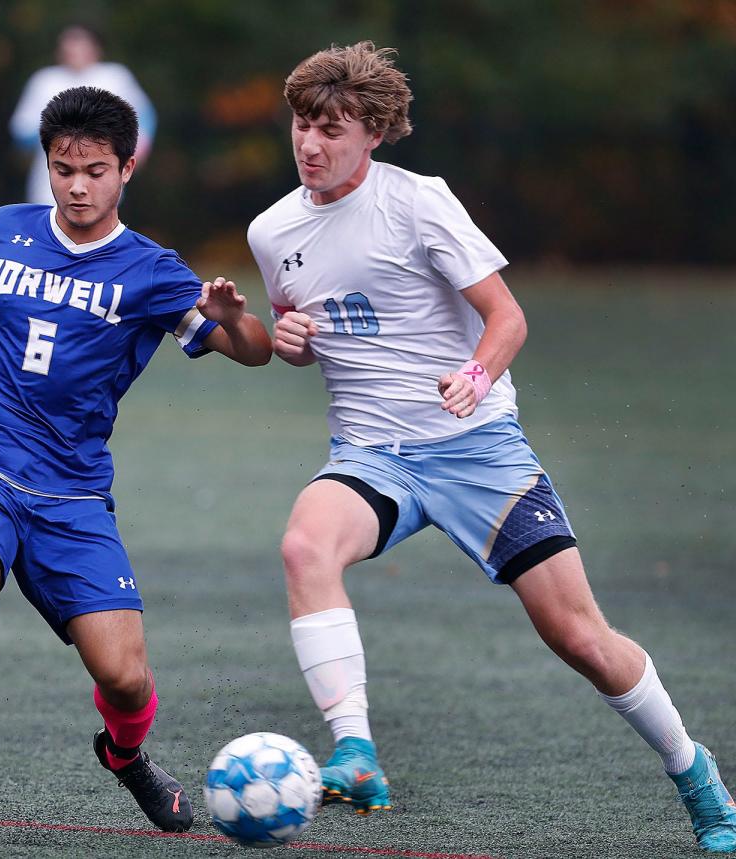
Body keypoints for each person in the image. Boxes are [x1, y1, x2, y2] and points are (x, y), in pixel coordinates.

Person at [247, 41, 736, 852]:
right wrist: (290, 337)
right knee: (305, 543)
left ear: (372, 133)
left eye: (330, 128)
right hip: (374, 455)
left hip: (478, 450)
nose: (310, 144)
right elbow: (300, 332)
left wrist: (476, 375)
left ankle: (697, 776)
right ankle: (356, 750)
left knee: (580, 637)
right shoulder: (275, 228)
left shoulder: (420, 203)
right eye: (301, 124)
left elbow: (507, 317)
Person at [0, 85, 272, 847]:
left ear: (127, 169)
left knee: (126, 676)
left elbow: (252, 350)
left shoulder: (152, 270)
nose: (76, 185)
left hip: (70, 492)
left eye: (95, 170)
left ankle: (125, 755)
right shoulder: (0, 232)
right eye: (63, 167)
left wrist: (235, 316)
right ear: (46, 162)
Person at [10, 25, 155, 205]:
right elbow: (21, 129)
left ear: (96, 48)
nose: (74, 51)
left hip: (102, 180)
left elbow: (144, 117)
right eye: (69, 45)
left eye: (80, 44)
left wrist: (137, 151)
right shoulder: (45, 81)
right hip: (50, 184)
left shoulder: (114, 77)